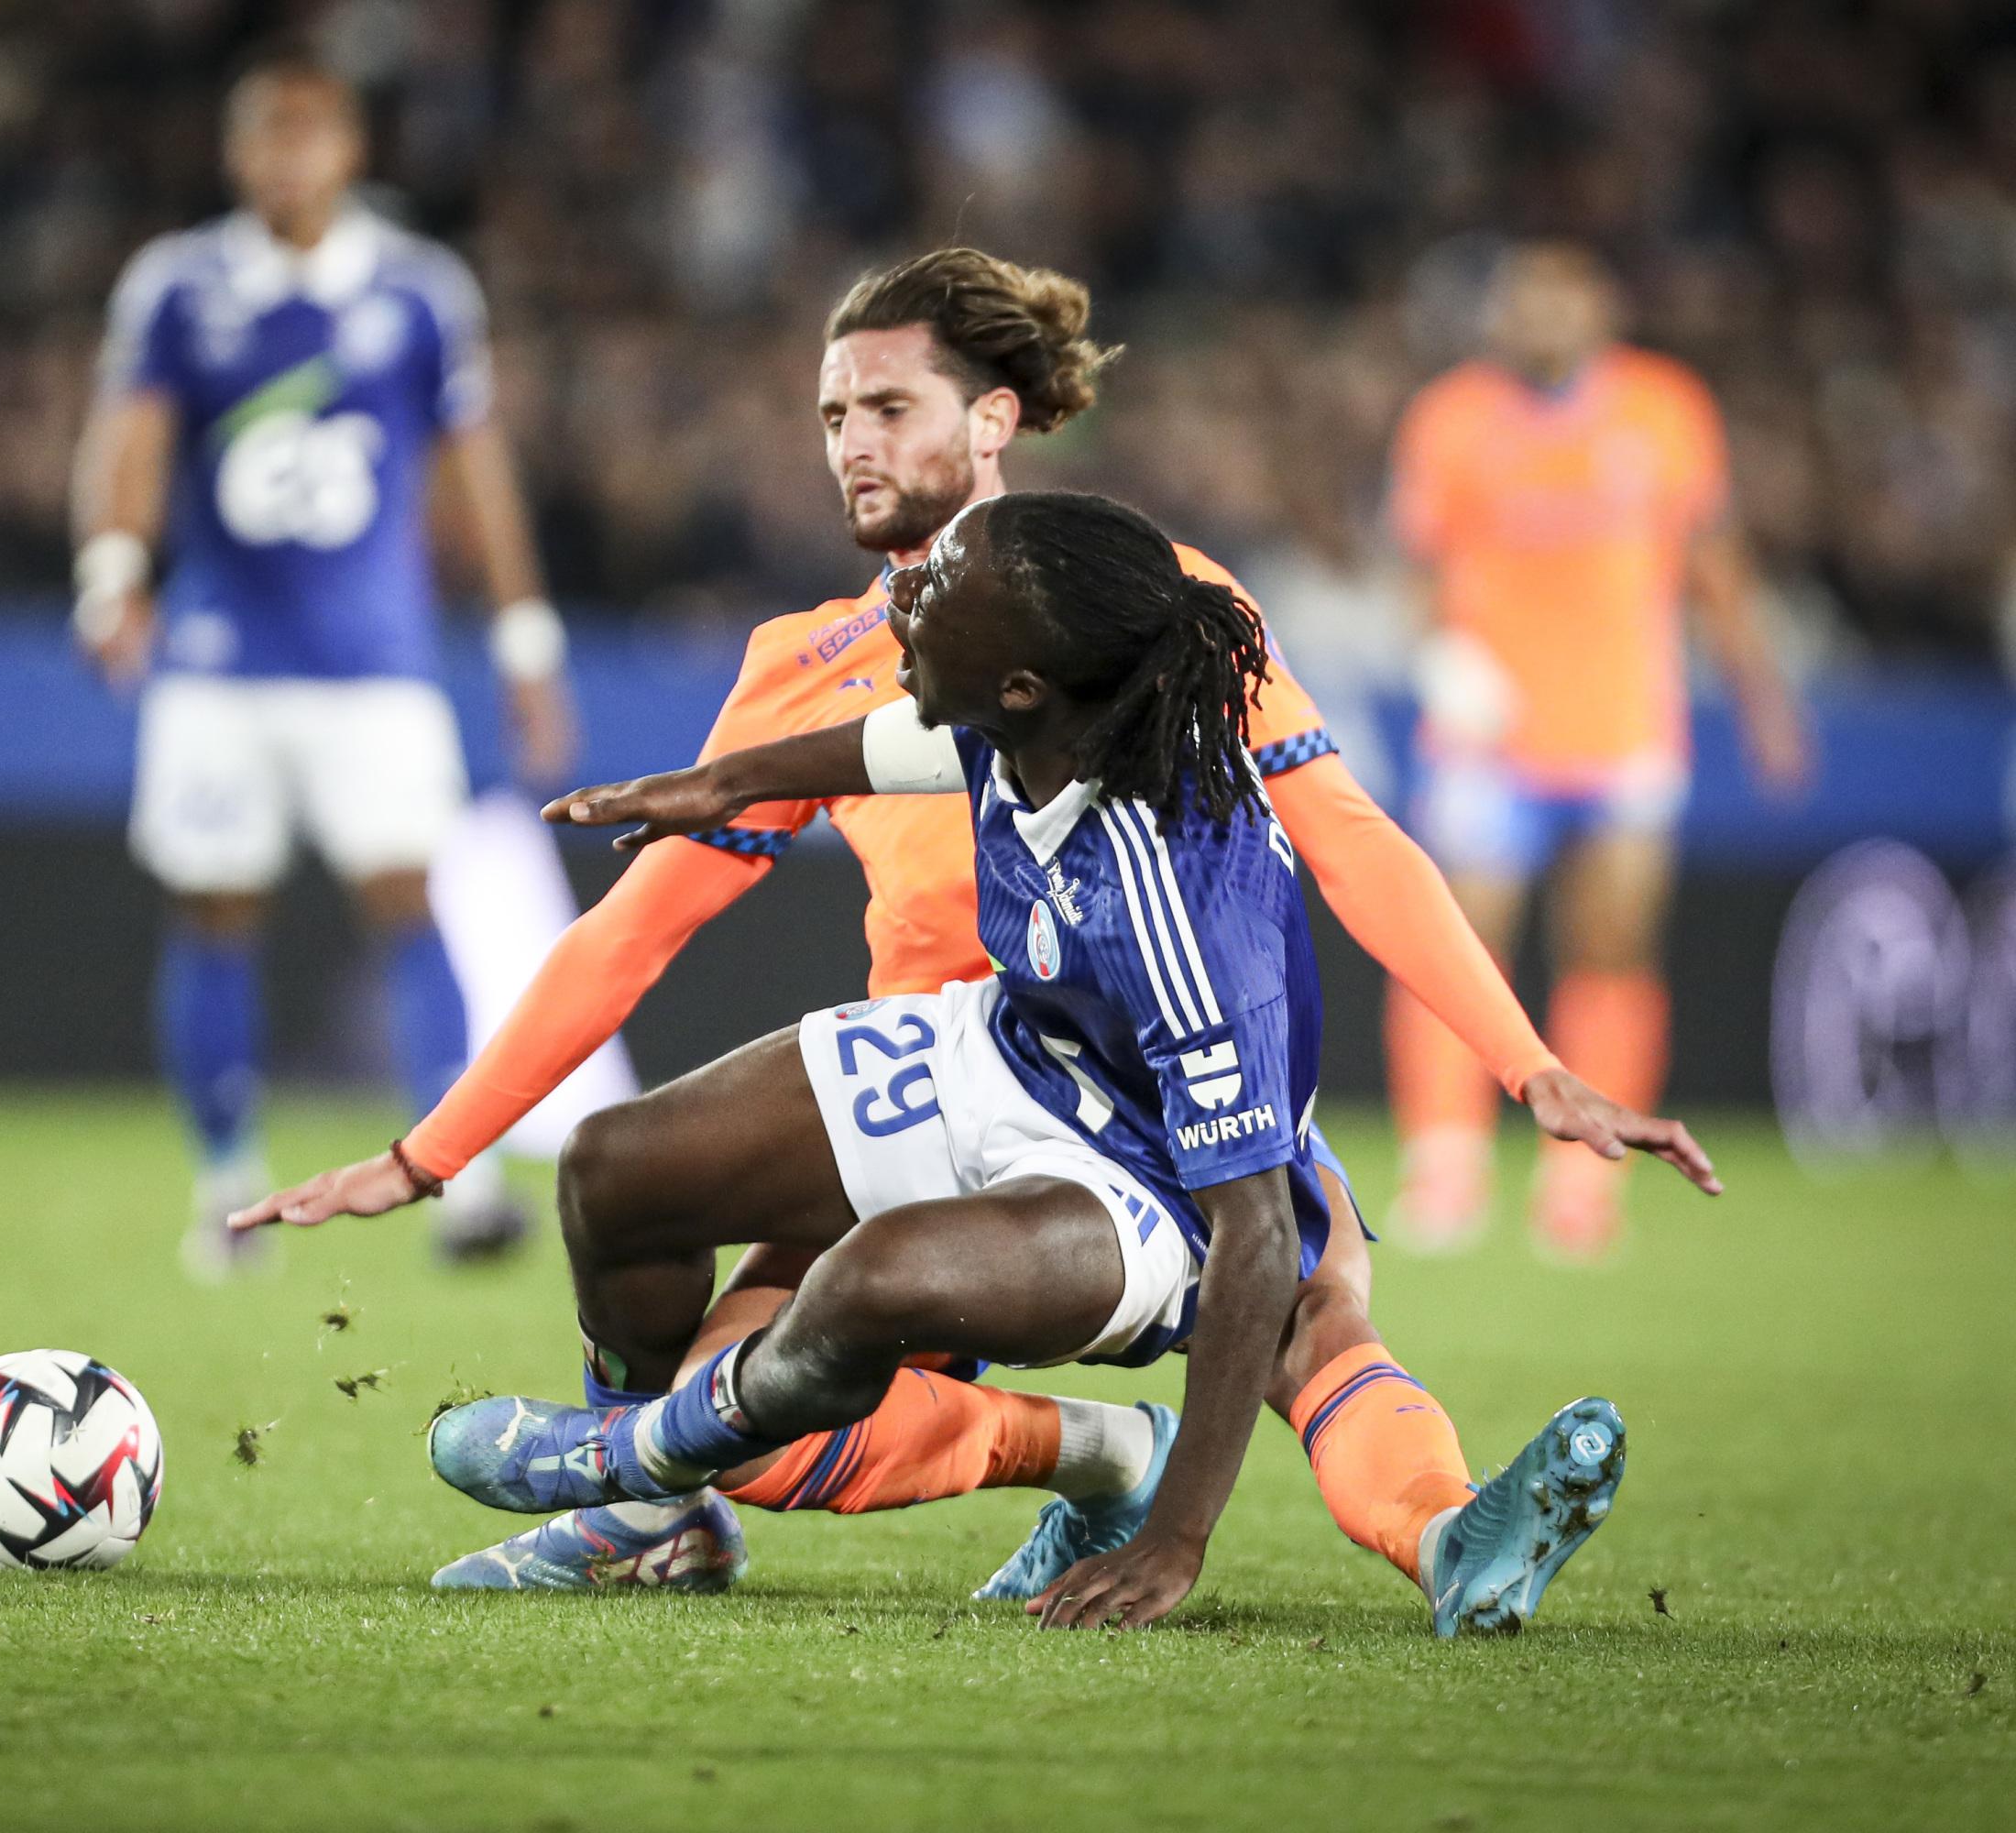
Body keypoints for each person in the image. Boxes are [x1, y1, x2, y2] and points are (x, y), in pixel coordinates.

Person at [233, 248, 1706, 1596]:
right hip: (941, 1091)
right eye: (829, 415)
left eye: (886, 404)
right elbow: (627, 937)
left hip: (1157, 1094)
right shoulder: (812, 659)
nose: (850, 443)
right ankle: (1030, 1455)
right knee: (711, 1355)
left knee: (1311, 1307)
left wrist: (1528, 1065)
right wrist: (432, 1153)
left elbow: (1350, 840)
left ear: (994, 418)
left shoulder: (1159, 612)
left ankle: (1451, 1536)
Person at [422, 492, 1689, 1634]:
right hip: (1016, 1051)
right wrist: (721, 786)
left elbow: (1251, 1228)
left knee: (869, 1285)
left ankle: (628, 1469)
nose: (906, 593)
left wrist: (1178, 1540)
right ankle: (674, 1505)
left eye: (941, 584)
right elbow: (881, 748)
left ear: (1023, 680)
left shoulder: (1178, 900)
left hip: (1157, 1181)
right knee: (614, 1165)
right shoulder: (1022, 723)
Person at [71, 50, 576, 1272]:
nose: (285, 157)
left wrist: (522, 635)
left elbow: (476, 464)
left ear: (347, 151)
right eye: (266, 134)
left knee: (413, 902)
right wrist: (112, 574)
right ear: (238, 152)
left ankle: (458, 1184)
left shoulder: (416, 290)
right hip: (220, 659)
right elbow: (128, 437)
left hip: (375, 660)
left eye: (308, 134)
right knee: (214, 909)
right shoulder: (182, 286)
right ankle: (227, 1184)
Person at [1386, 241, 1809, 1259]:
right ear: (1500, 316)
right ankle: (1446, 1161)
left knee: (1610, 944)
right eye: (1522, 302)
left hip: (1623, 728)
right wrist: (1440, 658)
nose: (1540, 319)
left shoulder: (1664, 408)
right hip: (1492, 737)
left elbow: (1713, 563)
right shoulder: (1451, 416)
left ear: (1600, 310)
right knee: (1461, 945)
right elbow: (1416, 563)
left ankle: (1585, 1175)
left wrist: (1764, 704)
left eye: (1559, 302)